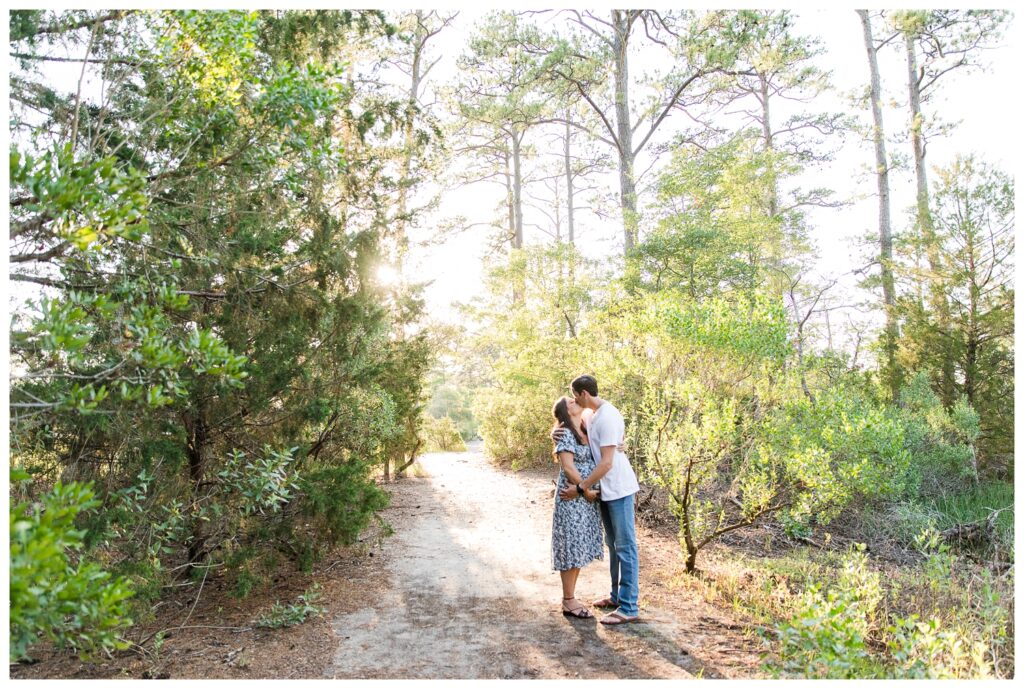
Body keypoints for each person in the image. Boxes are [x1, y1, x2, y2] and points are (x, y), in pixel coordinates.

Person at [556, 374, 641, 625]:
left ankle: (629, 607)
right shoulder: (591, 416)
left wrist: (581, 488)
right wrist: (558, 430)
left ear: (583, 394)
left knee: (626, 547)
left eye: (574, 396)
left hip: (619, 488)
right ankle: (616, 596)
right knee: (613, 545)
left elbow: (606, 462)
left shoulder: (608, 415)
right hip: (605, 490)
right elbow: (574, 435)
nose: (573, 400)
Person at [550, 395, 604, 619]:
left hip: (583, 499)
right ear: (566, 412)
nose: (574, 401)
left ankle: (571, 597)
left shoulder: (586, 427)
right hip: (572, 498)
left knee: (579, 546)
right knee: (570, 546)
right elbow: (569, 468)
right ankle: (568, 600)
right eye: (569, 402)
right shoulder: (565, 434)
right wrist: (586, 490)